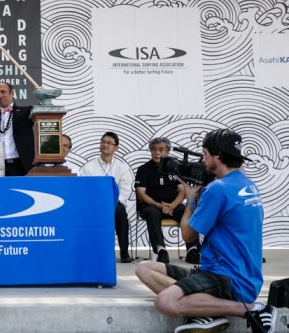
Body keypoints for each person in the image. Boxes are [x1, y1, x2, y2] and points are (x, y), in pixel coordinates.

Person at [135, 129, 276, 333]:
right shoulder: (246, 183)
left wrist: (190, 199)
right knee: (145, 268)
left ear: (217, 156)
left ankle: (253, 310)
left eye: (204, 154)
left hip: (228, 279)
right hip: (239, 274)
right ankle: (206, 314)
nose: (202, 160)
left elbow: (188, 236)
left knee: (165, 302)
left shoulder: (217, 190)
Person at [135, 137, 200, 264]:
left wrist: (171, 206)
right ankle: (161, 251)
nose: (157, 152)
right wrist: (159, 205)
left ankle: (193, 250)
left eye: (160, 149)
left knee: (187, 212)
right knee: (152, 212)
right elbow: (141, 194)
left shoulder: (175, 168)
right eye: (153, 149)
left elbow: (182, 191)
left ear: (167, 152)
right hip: (151, 205)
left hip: (173, 205)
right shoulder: (143, 169)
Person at [79, 132, 133, 263]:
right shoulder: (89, 166)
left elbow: (125, 191)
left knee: (120, 212)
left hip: (115, 204)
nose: (105, 145)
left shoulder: (122, 167)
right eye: (103, 142)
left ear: (116, 148)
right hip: (94, 205)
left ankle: (124, 252)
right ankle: (92, 251)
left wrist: (112, 202)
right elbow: (85, 189)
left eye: (109, 143)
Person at [0, 81, 34, 176]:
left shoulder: (26, 111)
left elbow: (44, 112)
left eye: (3, 92)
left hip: (21, 165)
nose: (0, 95)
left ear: (12, 93)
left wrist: (41, 97)